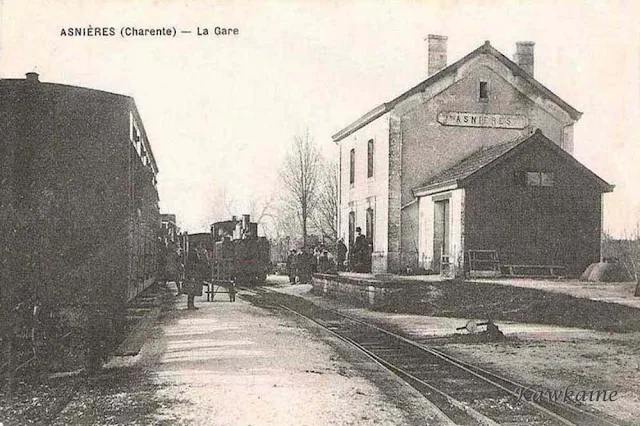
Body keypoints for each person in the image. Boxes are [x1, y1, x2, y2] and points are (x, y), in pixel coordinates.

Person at [185, 245, 207, 310]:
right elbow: (196, 262)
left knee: (192, 289)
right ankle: (190, 305)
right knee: (192, 289)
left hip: (192, 272)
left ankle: (191, 304)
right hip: (193, 273)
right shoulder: (193, 252)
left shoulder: (192, 252)